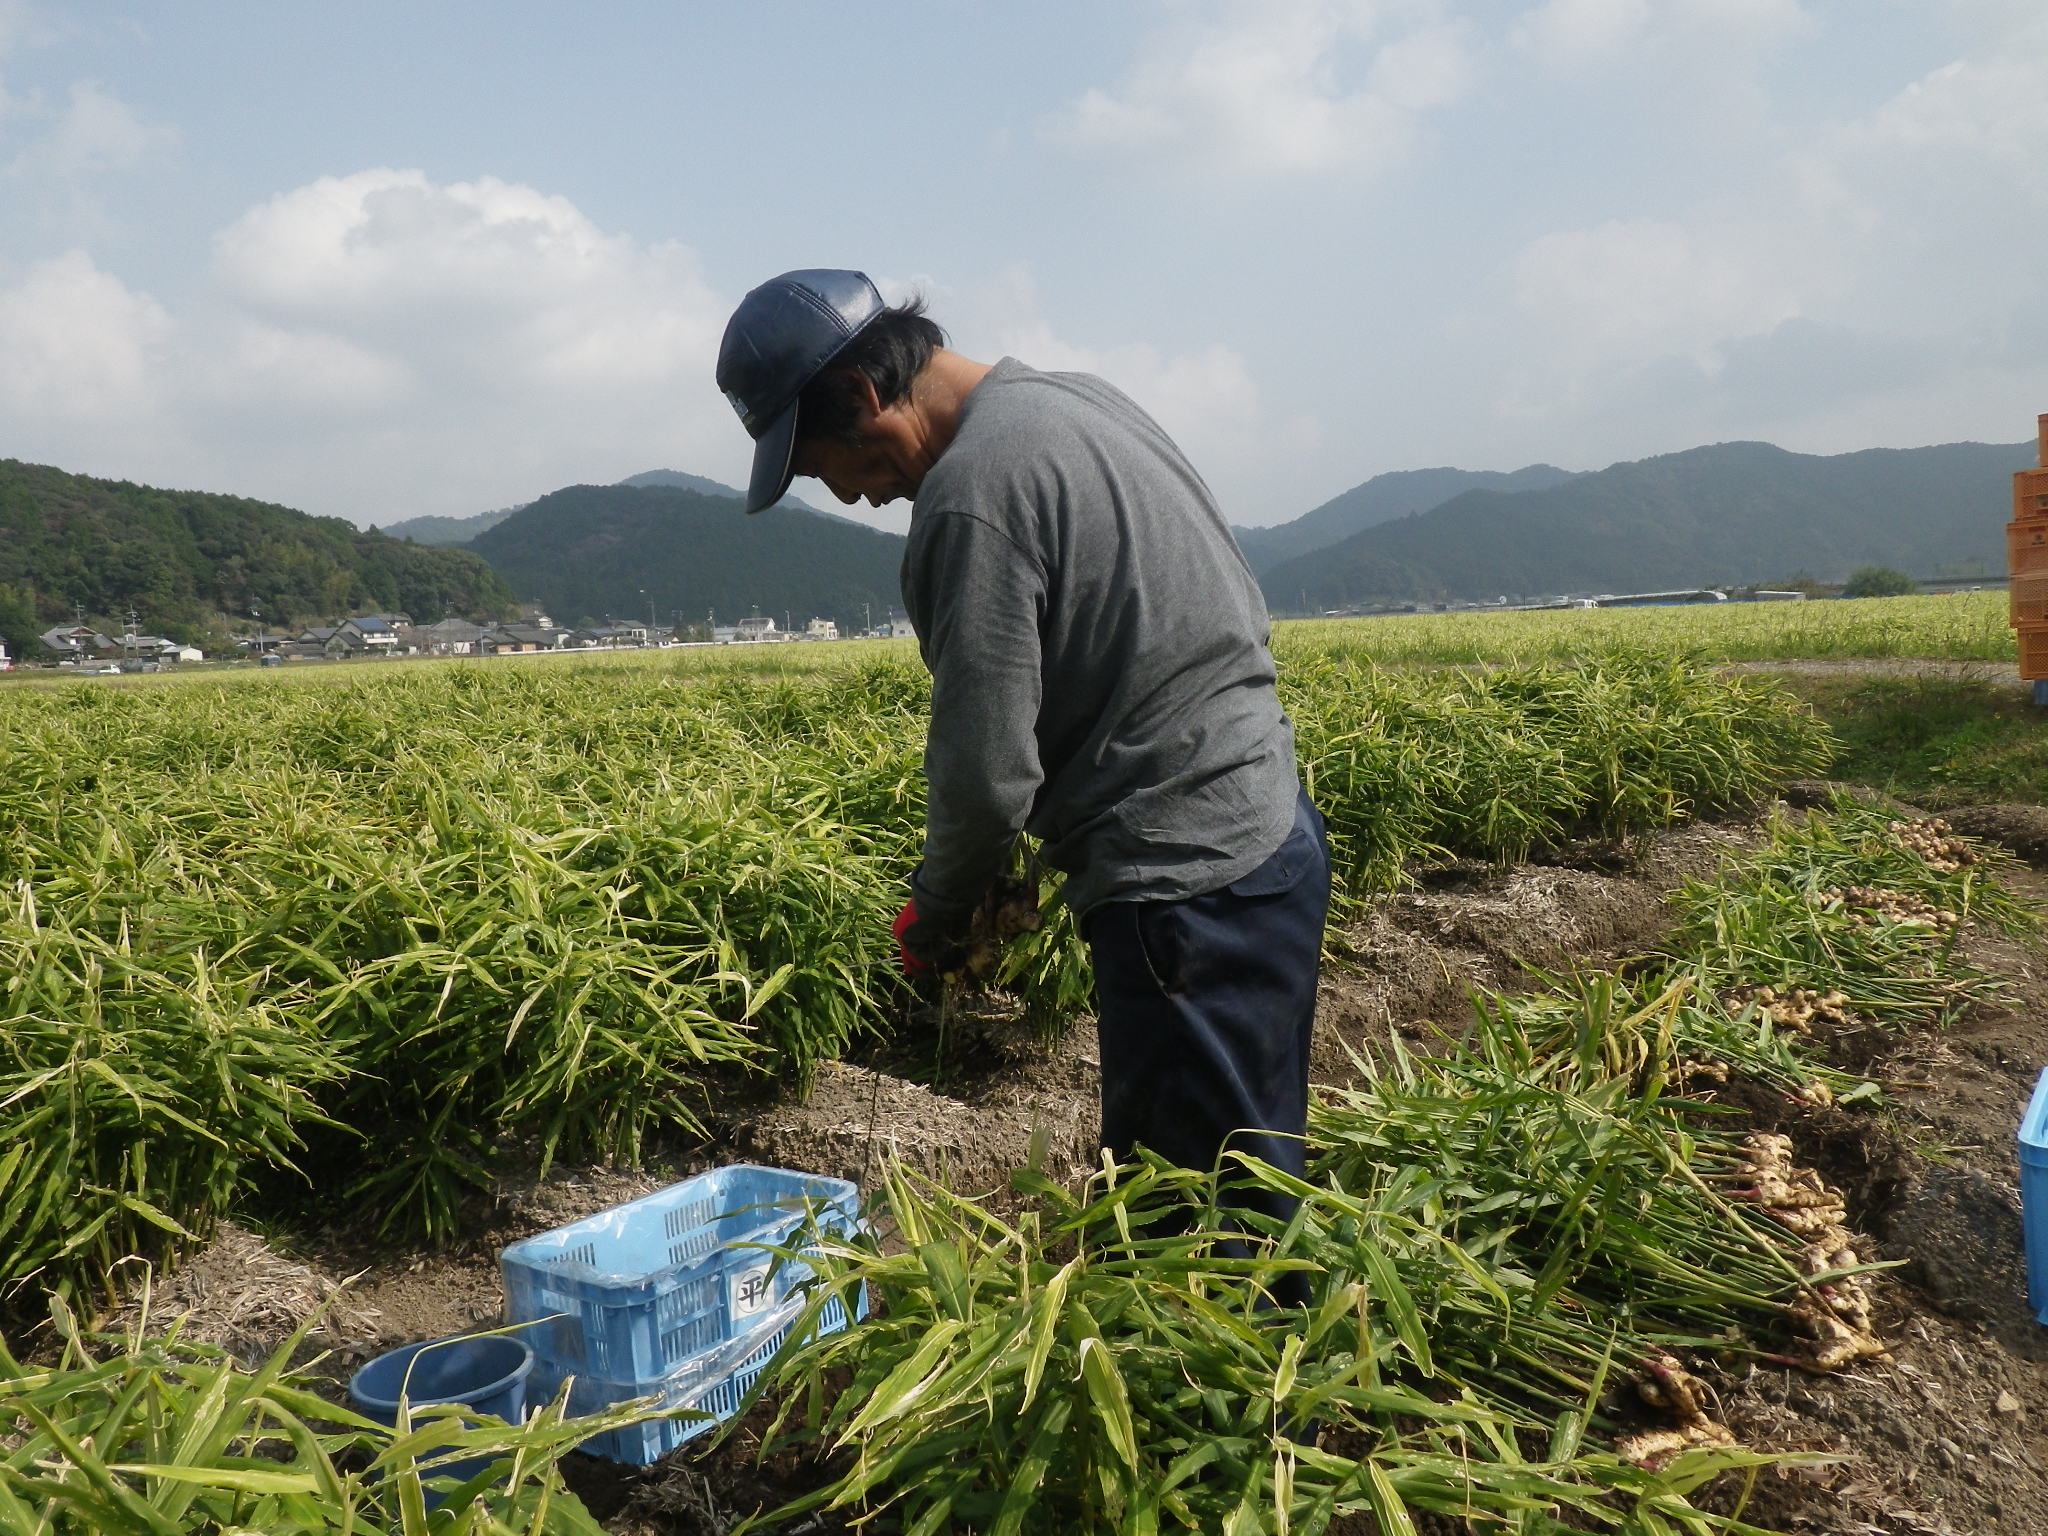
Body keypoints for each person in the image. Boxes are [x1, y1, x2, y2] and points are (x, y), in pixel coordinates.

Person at [714, 269, 1330, 1278]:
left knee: (1193, 1233)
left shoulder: (971, 498)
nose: (852, 494)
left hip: (1185, 887)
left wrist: (938, 914)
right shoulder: (1078, 402)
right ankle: (1290, 1354)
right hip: (1271, 830)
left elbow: (986, 769)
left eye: (827, 467)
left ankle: (1240, 1368)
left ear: (863, 395)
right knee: (1252, 1169)